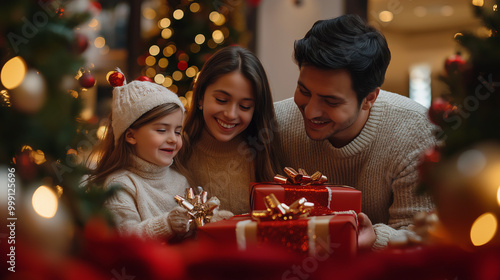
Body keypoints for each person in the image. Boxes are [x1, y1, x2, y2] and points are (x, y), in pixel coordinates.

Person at [274, 14, 438, 250]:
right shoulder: (276, 123)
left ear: (369, 98)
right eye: (304, 91)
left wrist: (374, 240)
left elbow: (420, 236)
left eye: (330, 101)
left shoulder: (416, 130)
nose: (310, 112)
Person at [86, 75, 222, 240]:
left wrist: (211, 219)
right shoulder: (120, 184)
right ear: (130, 135)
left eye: (177, 131)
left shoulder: (180, 181)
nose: (173, 139)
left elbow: (191, 227)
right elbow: (126, 237)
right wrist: (167, 224)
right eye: (162, 130)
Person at [178, 46, 281, 215]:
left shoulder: (264, 151)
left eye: (245, 106)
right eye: (221, 100)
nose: (231, 114)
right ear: (201, 97)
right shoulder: (178, 149)